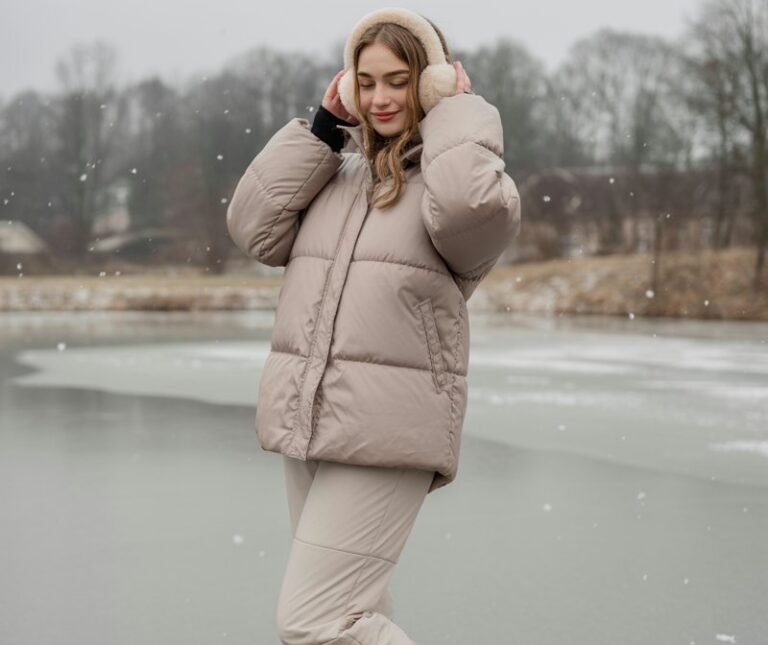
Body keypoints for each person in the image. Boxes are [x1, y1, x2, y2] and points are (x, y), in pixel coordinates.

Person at [226, 7, 522, 644]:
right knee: (358, 614)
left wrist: (455, 114)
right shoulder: (338, 175)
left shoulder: (454, 185)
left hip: (390, 427)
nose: (381, 97)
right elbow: (253, 227)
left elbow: (473, 213)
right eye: (367, 81)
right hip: (312, 417)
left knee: (317, 623)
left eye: (400, 79)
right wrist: (325, 130)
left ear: (433, 82)